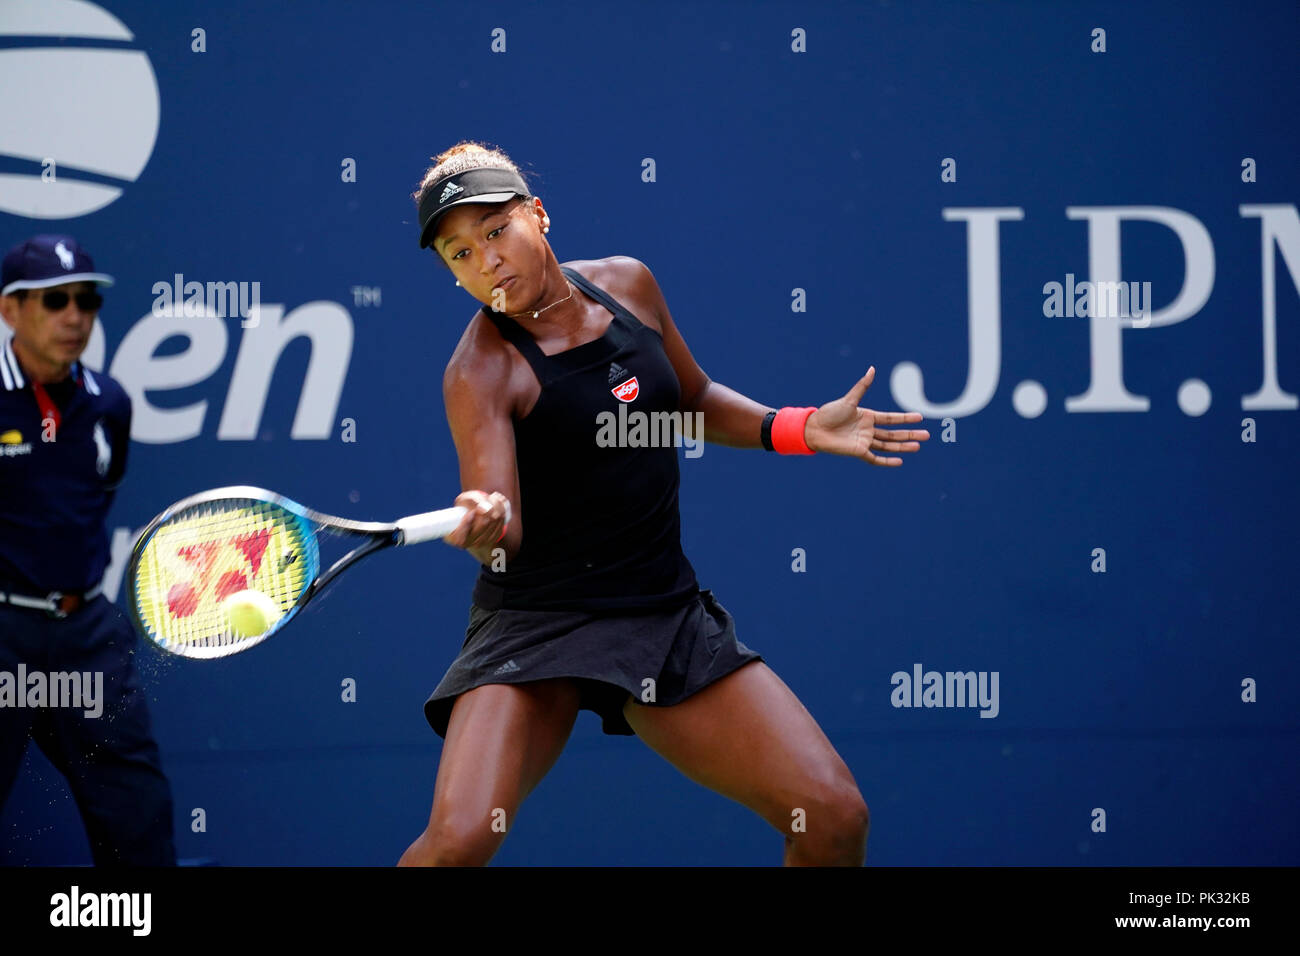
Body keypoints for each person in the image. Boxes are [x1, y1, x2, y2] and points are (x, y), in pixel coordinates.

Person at [400, 143, 928, 867]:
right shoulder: (480, 370)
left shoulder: (629, 287)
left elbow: (691, 401)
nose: (485, 261)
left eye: (495, 231)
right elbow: (504, 536)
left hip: (658, 612)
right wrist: (486, 527)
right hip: (537, 625)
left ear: (539, 214)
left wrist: (800, 426)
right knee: (459, 841)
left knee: (832, 817)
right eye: (459, 255)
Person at [0, 234, 176, 866]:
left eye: (85, 301)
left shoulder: (110, 402)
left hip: (86, 634)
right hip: (4, 633)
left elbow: (99, 493)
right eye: (54, 301)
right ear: (10, 310)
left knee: (138, 819)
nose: (74, 316)